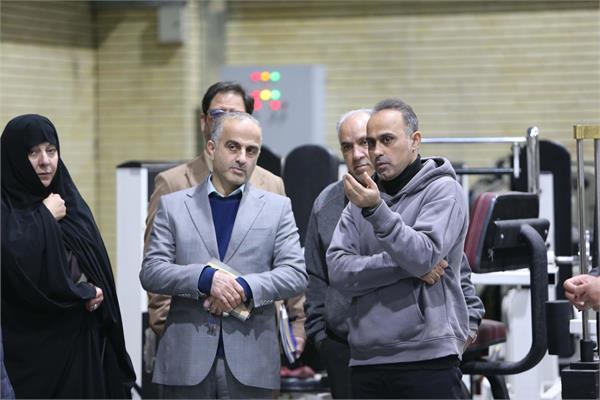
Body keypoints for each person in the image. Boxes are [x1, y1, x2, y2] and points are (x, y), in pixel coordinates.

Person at [305, 109, 484, 398]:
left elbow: (425, 255)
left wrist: (377, 211)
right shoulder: (355, 201)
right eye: (371, 142)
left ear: (415, 140)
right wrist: (408, 267)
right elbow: (338, 272)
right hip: (365, 359)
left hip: (427, 358)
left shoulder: (443, 191)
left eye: (386, 140)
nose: (374, 152)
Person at [140, 112, 308, 398]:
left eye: (251, 151)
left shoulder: (277, 208)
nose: (242, 158)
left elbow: (295, 275)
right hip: (185, 359)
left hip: (252, 360)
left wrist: (243, 287)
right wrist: (205, 279)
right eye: (233, 147)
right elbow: (152, 271)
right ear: (211, 148)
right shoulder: (174, 206)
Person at [1, 114, 136, 398]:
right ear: (13, 158)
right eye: (33, 153)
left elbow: (95, 266)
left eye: (51, 150)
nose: (45, 161)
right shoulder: (7, 210)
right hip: (28, 356)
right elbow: (13, 267)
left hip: (82, 347)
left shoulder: (70, 202)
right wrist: (44, 218)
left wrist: (93, 291)